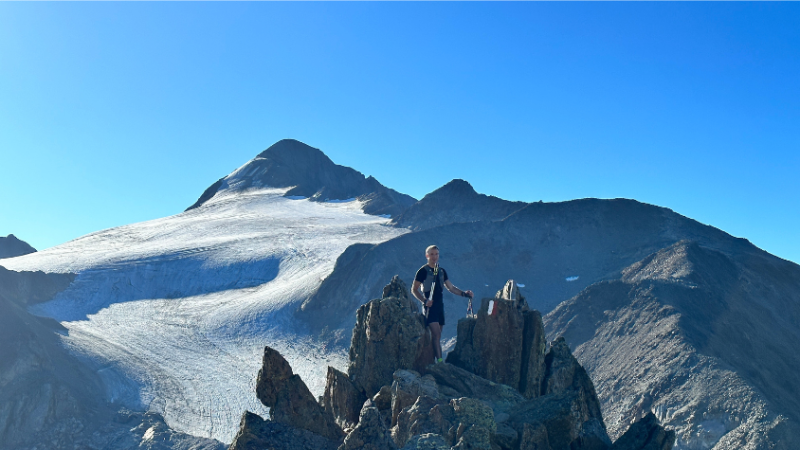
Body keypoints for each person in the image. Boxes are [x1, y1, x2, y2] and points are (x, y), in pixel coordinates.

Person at [412, 245, 473, 364]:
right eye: (432, 254)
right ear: (427, 256)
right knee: (437, 335)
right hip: (430, 308)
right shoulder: (422, 271)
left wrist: (464, 294)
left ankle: (434, 361)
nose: (434, 257)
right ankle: (440, 362)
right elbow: (414, 289)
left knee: (437, 336)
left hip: (440, 307)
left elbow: (451, 288)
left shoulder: (441, 271)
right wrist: (424, 301)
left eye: (436, 254)